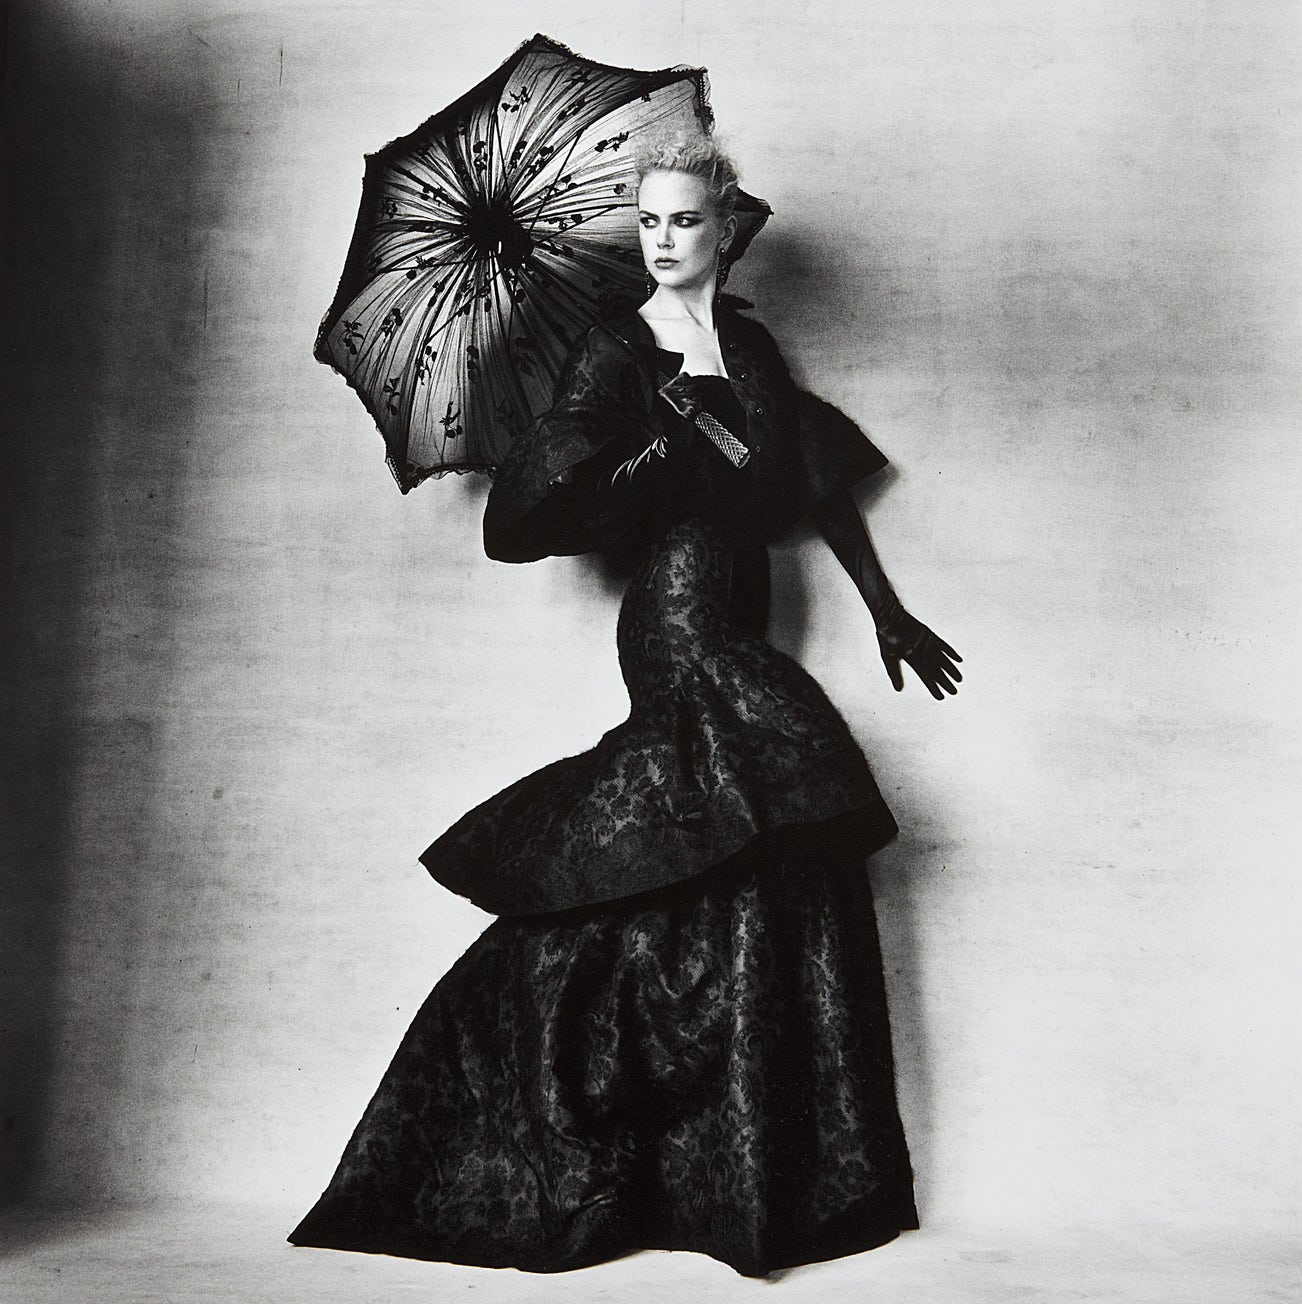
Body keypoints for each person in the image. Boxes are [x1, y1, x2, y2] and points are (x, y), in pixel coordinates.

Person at [289, 132, 961, 1278]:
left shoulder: (749, 343)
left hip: (746, 602)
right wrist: (653, 448)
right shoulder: (616, 350)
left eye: (683, 220)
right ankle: (556, 1062)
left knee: (753, 839)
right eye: (647, 221)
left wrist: (887, 610)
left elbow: (807, 479)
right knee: (751, 783)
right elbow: (534, 510)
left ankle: (743, 1155)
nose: (662, 240)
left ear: (727, 228)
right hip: (676, 610)